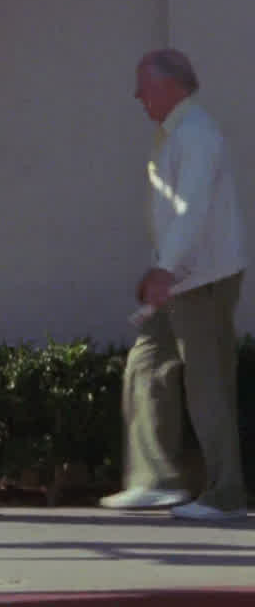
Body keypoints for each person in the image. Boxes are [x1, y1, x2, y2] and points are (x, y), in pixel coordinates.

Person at [102, 50, 247, 521]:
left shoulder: (197, 135)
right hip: (179, 277)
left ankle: (224, 495)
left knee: (207, 382)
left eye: (144, 86)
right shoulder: (177, 135)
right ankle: (156, 480)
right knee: (145, 367)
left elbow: (192, 209)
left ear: (172, 87)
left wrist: (166, 269)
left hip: (201, 280)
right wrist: (163, 269)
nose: (137, 96)